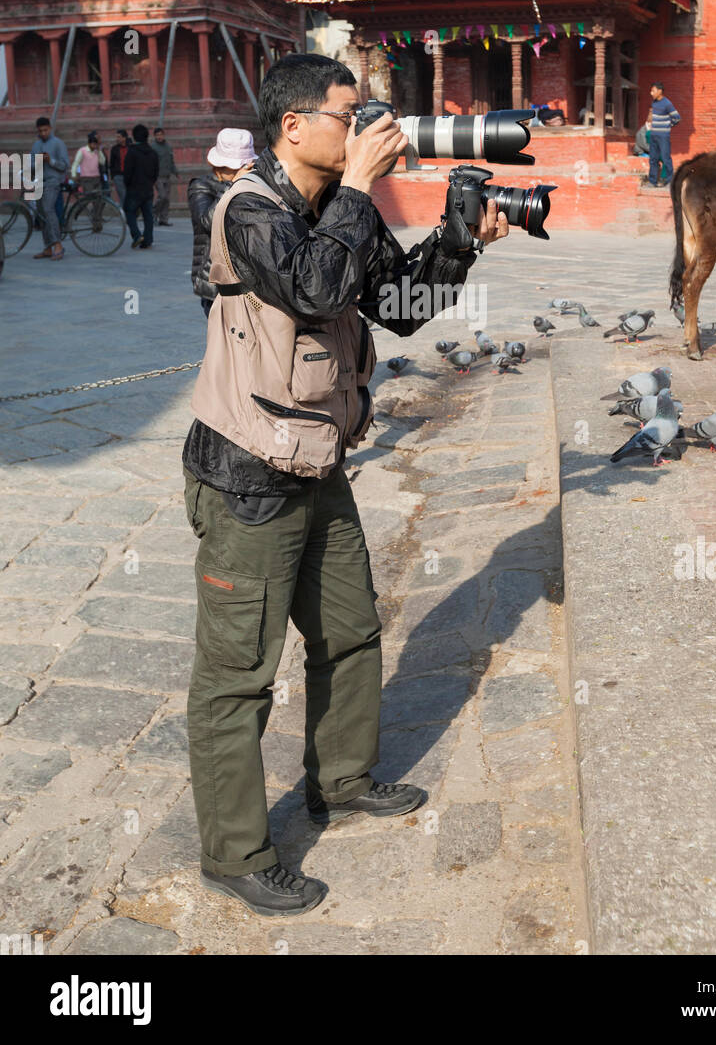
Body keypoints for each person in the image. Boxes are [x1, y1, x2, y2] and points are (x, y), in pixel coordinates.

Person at [182, 53, 508, 918]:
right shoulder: (245, 209)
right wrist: (364, 188)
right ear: (295, 127)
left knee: (352, 631)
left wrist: (459, 240)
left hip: (319, 462)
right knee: (238, 674)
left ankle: (342, 778)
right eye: (347, 113)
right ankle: (235, 852)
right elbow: (312, 283)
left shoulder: (336, 208)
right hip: (247, 476)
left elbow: (396, 305)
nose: (362, 127)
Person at [188, 128, 257, 317]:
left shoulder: (250, 183)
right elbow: (207, 223)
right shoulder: (201, 186)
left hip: (250, 281)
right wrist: (233, 184)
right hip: (216, 282)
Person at [30, 117, 69, 261]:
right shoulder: (36, 145)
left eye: (45, 130)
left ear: (50, 129)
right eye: (40, 131)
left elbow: (65, 165)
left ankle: (58, 245)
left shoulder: (58, 144)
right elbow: (31, 166)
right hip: (40, 181)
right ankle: (47, 247)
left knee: (48, 209)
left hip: (53, 182)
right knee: (41, 214)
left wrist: (50, 161)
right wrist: (39, 161)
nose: (43, 133)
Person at [123, 123, 159, 249]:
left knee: (129, 212)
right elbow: (156, 172)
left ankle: (137, 235)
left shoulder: (132, 152)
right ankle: (147, 240)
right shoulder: (153, 153)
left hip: (134, 188)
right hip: (148, 188)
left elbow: (127, 172)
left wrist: (127, 184)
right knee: (148, 215)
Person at [71, 131, 108, 230]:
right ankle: (77, 211)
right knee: (89, 198)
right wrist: (74, 175)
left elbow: (102, 161)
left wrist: (99, 151)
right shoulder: (82, 151)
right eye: (92, 144)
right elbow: (76, 163)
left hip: (96, 178)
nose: (94, 146)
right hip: (86, 179)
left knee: (98, 202)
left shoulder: (97, 152)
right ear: (89, 143)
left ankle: (97, 224)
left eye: (95, 144)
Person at [646, 82, 681, 187]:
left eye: (653, 90)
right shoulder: (654, 103)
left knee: (666, 158)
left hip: (663, 136)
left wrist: (667, 126)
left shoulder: (667, 103)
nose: (651, 93)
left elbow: (677, 118)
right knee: (653, 159)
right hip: (653, 135)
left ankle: (669, 181)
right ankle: (653, 181)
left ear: (660, 91)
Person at [152, 126, 178, 226]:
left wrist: (175, 172)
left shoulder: (168, 146)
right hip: (157, 176)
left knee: (166, 199)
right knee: (162, 196)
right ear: (154, 136)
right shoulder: (153, 147)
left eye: (161, 134)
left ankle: (163, 219)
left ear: (163, 135)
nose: (159, 137)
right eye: (157, 135)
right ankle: (153, 213)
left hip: (167, 175)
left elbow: (171, 161)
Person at [109, 129, 130, 205]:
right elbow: (111, 164)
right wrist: (113, 176)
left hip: (130, 176)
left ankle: (124, 214)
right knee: (123, 196)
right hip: (118, 176)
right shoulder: (114, 149)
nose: (117, 139)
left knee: (128, 196)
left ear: (124, 138)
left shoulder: (131, 148)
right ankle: (125, 215)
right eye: (116, 137)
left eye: (119, 137)